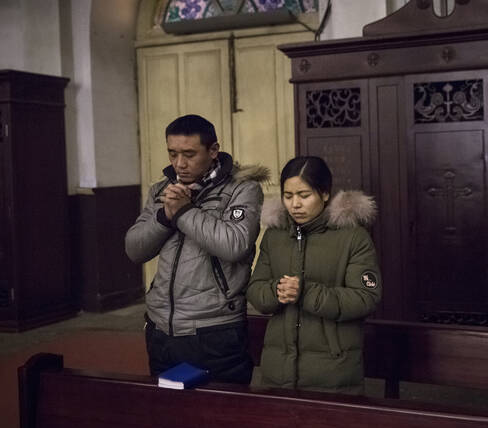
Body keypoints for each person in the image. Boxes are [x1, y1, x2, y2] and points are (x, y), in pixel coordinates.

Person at [125, 114, 268, 383]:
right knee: (168, 417)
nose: (180, 163)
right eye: (173, 153)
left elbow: (234, 245)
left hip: (214, 329)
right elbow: (134, 250)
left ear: (213, 150)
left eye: (189, 154)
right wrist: (165, 217)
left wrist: (184, 212)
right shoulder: (160, 190)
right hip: (160, 328)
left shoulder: (242, 189)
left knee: (222, 417)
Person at [246, 156, 381, 394]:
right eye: (288, 196)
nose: (295, 204)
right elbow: (256, 289)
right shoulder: (275, 235)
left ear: (325, 194)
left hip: (332, 374)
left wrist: (306, 292)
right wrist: (276, 290)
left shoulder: (352, 237)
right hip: (277, 371)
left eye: (304, 195)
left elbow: (365, 297)